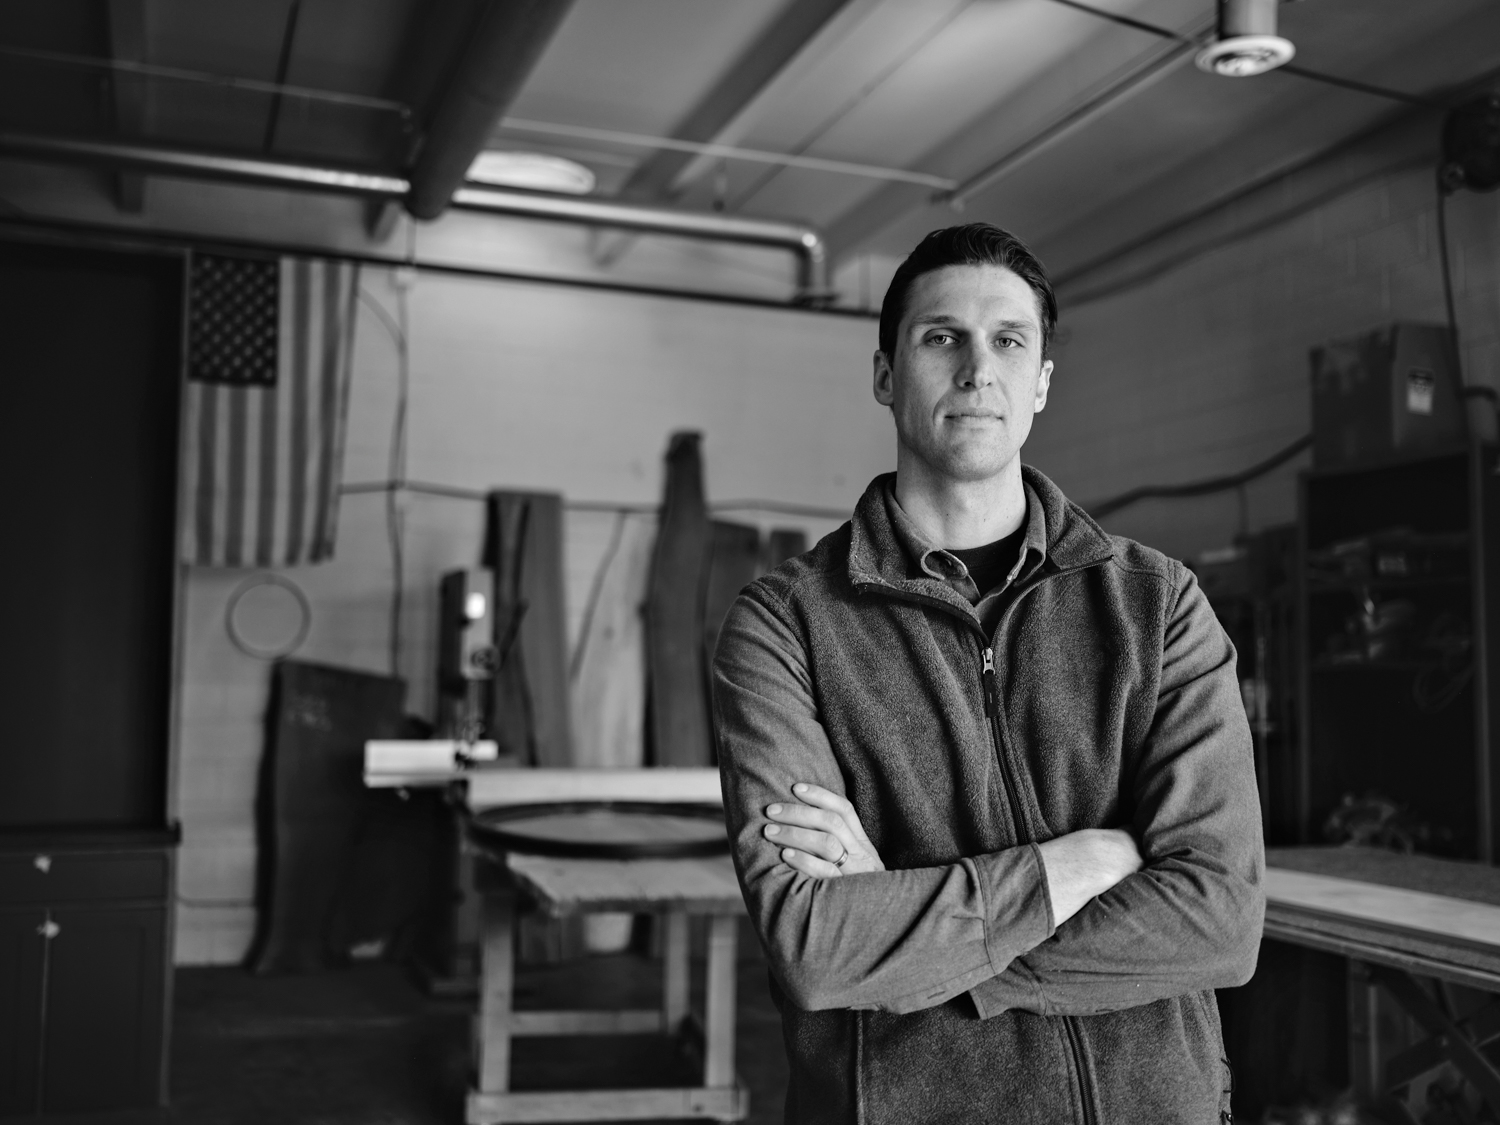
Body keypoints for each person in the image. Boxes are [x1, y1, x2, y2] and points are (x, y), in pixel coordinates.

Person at [710, 223, 1265, 1124]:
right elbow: (815, 945)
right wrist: (1067, 867)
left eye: (1009, 341)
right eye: (942, 338)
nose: (978, 369)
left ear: (1041, 380)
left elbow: (1219, 920)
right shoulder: (787, 625)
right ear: (886, 373)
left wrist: (912, 927)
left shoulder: (1155, 606)